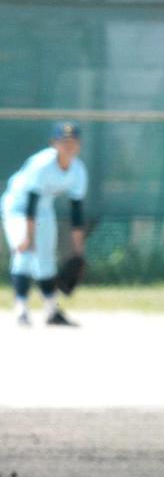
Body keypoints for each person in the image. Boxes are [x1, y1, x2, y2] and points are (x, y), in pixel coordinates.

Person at [1, 121, 88, 327]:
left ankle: (51, 312)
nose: (68, 145)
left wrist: (78, 251)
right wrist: (28, 238)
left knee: (46, 259)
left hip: (44, 209)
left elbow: (77, 212)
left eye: (72, 141)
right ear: (53, 143)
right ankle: (21, 310)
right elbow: (30, 203)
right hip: (17, 207)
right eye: (63, 141)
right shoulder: (41, 164)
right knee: (24, 254)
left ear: (79, 144)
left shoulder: (78, 170)